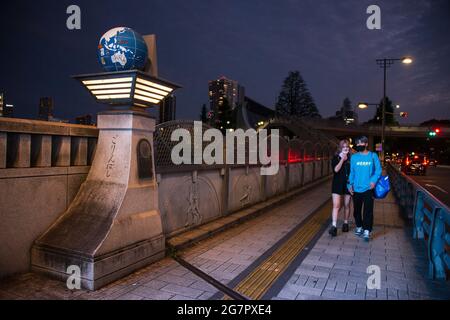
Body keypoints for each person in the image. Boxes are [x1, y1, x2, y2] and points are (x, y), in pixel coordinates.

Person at [347, 136, 382, 242]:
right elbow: (351, 172)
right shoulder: (354, 157)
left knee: (368, 211)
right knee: (356, 211)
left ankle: (367, 230)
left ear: (366, 144)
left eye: (360, 143)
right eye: (357, 144)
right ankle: (359, 226)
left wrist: (373, 181)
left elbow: (378, 170)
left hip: (368, 188)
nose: (358, 145)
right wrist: (349, 185)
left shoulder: (373, 156)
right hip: (356, 188)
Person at [328, 139, 351, 237]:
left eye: (347, 147)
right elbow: (336, 170)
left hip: (348, 184)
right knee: (336, 205)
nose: (345, 148)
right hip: (337, 184)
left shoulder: (351, 158)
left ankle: (345, 223)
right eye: (343, 147)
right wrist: (342, 159)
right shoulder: (335, 157)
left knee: (346, 205)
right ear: (340, 148)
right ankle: (334, 226)